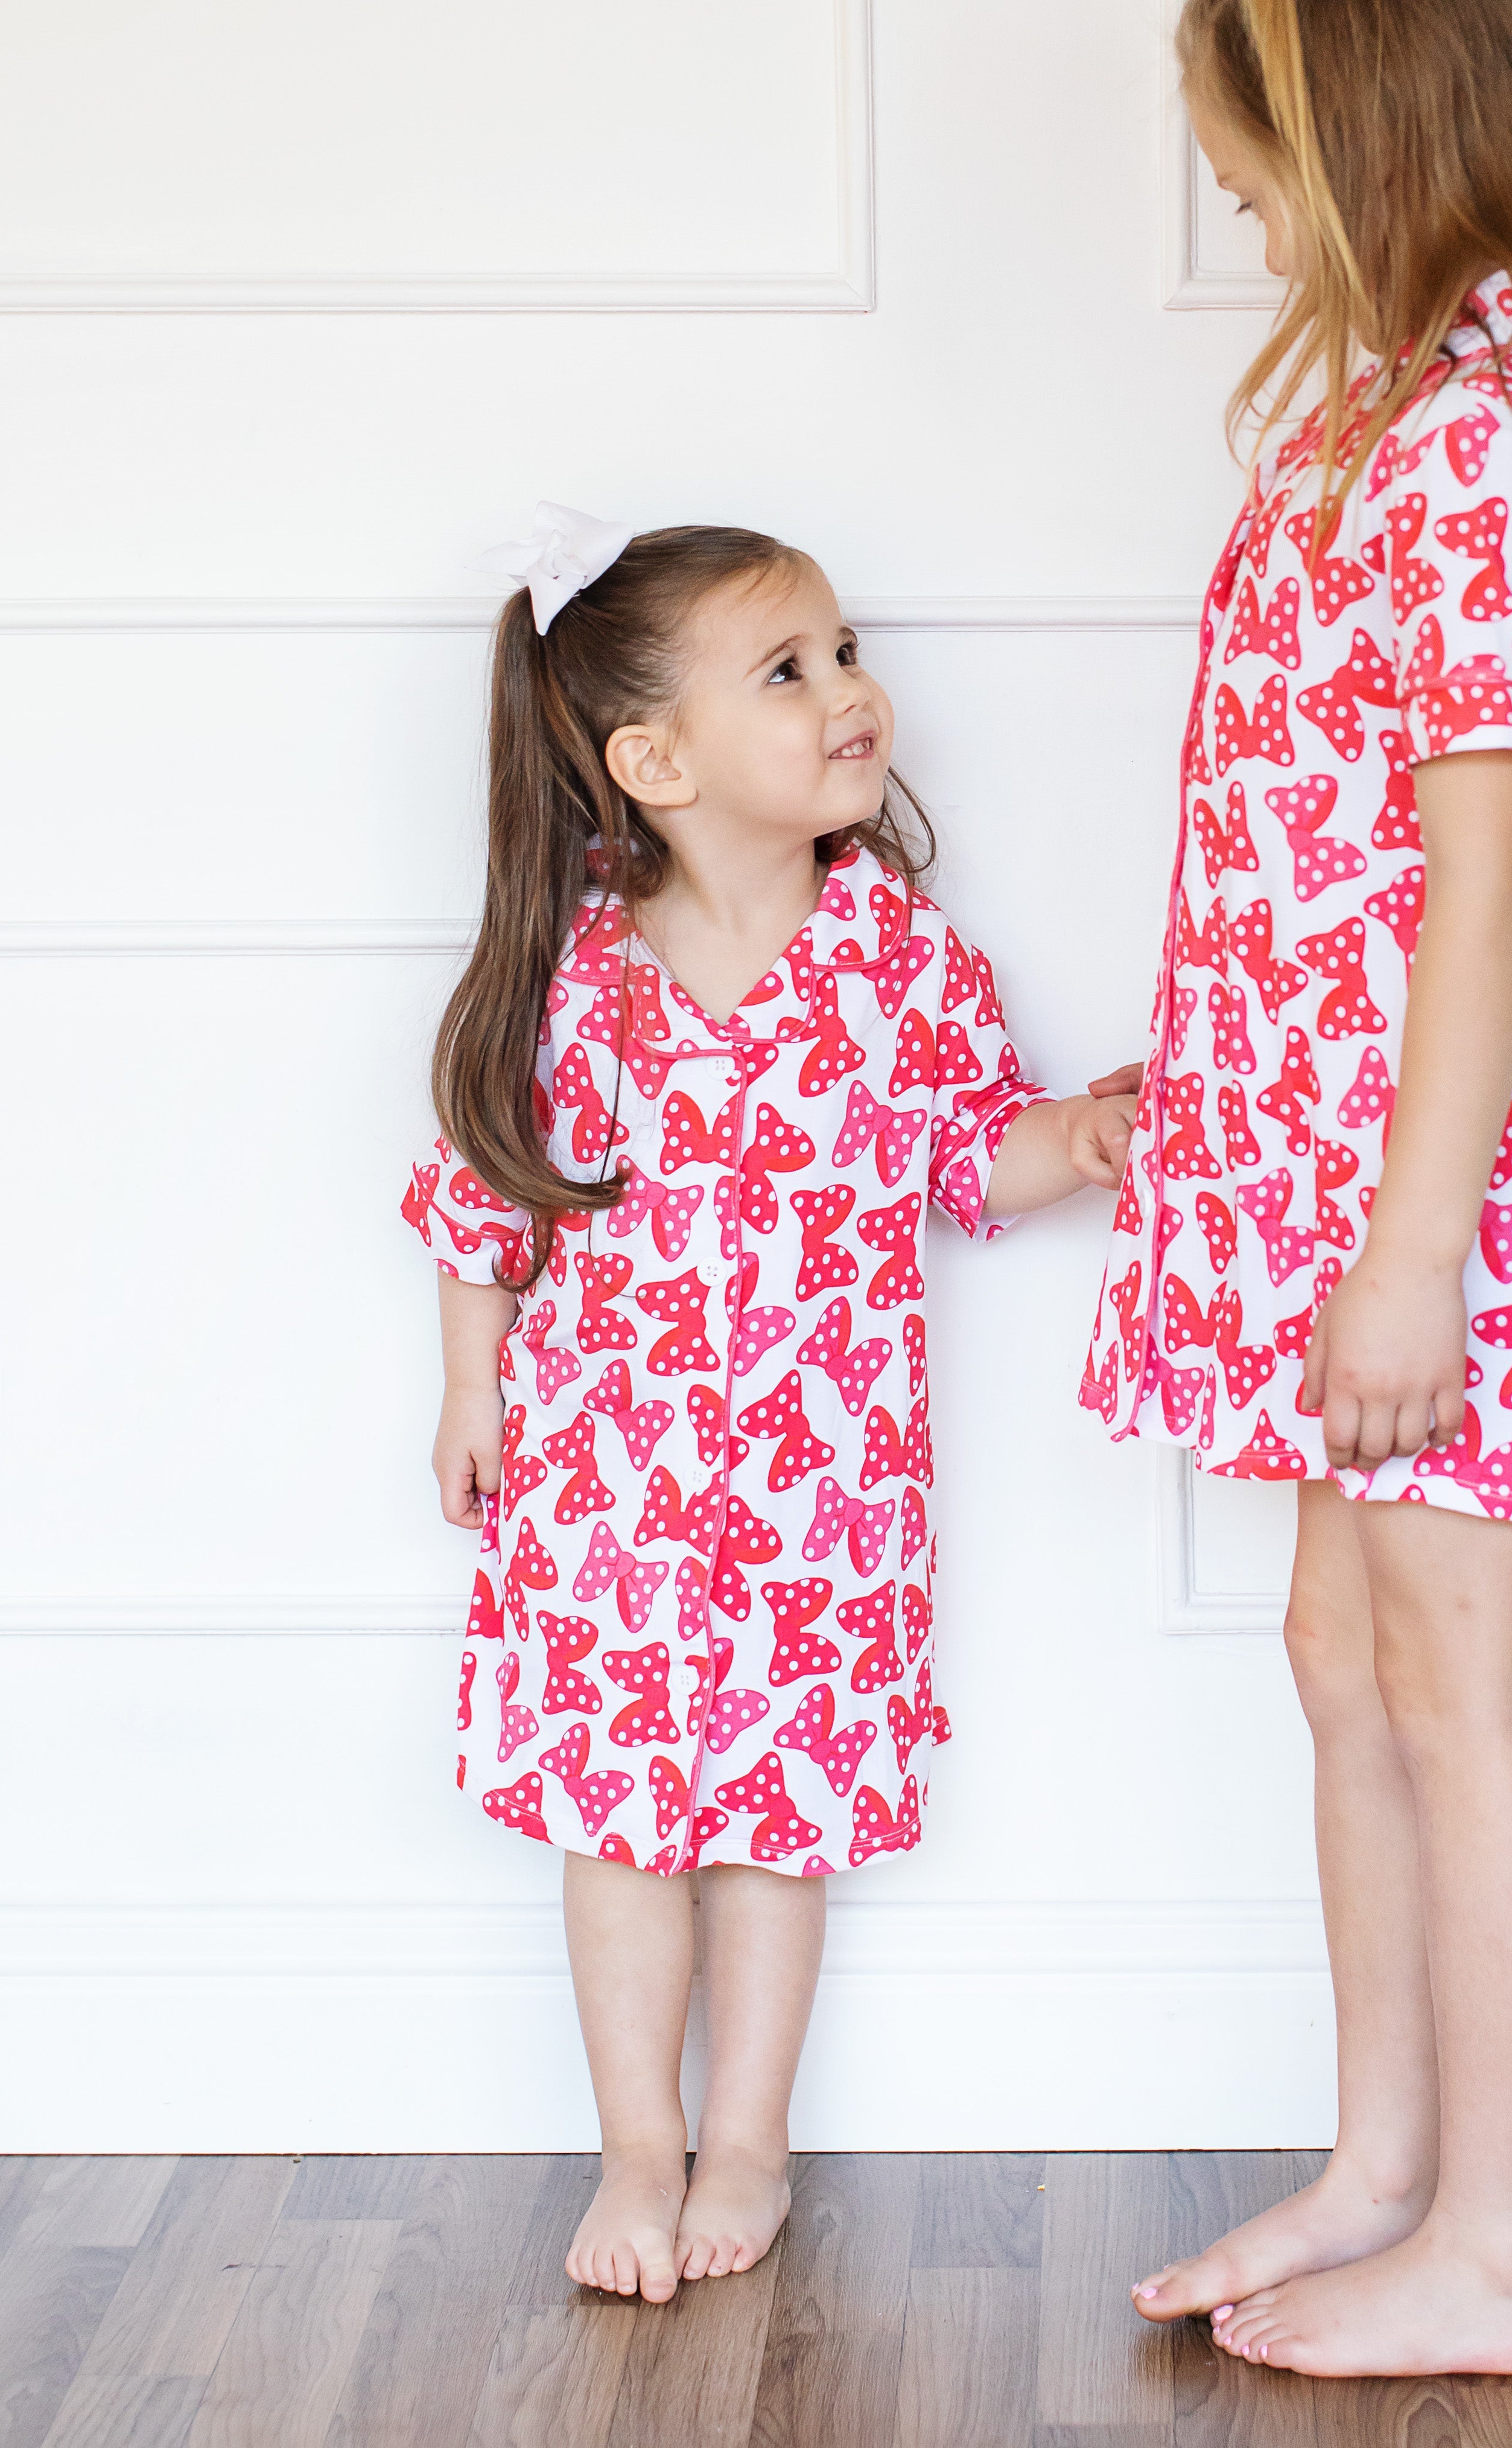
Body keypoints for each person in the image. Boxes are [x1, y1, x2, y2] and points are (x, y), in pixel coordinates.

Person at [1090, 0, 1512, 2377]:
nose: (1236, 213)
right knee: (1348, 1666)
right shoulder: (1374, 416)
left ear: (1371, 137)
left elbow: (1479, 883)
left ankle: (1509, 2256)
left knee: (1466, 1699)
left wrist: (1417, 1246)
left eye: (1253, 169)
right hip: (1323, 1180)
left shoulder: (1471, 449)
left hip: (1452, 1205)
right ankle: (1390, 2163)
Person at [408, 506, 1133, 2303]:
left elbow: (977, 1150)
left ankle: (746, 2135)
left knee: (770, 1828)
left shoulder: (896, 960)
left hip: (822, 1499)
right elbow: (479, 1200)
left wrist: (1097, 1135)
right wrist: (468, 1389)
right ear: (652, 762)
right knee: (617, 1820)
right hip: (607, 1491)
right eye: (791, 669)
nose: (849, 692)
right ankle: (634, 2144)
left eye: (846, 649)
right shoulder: (574, 973)